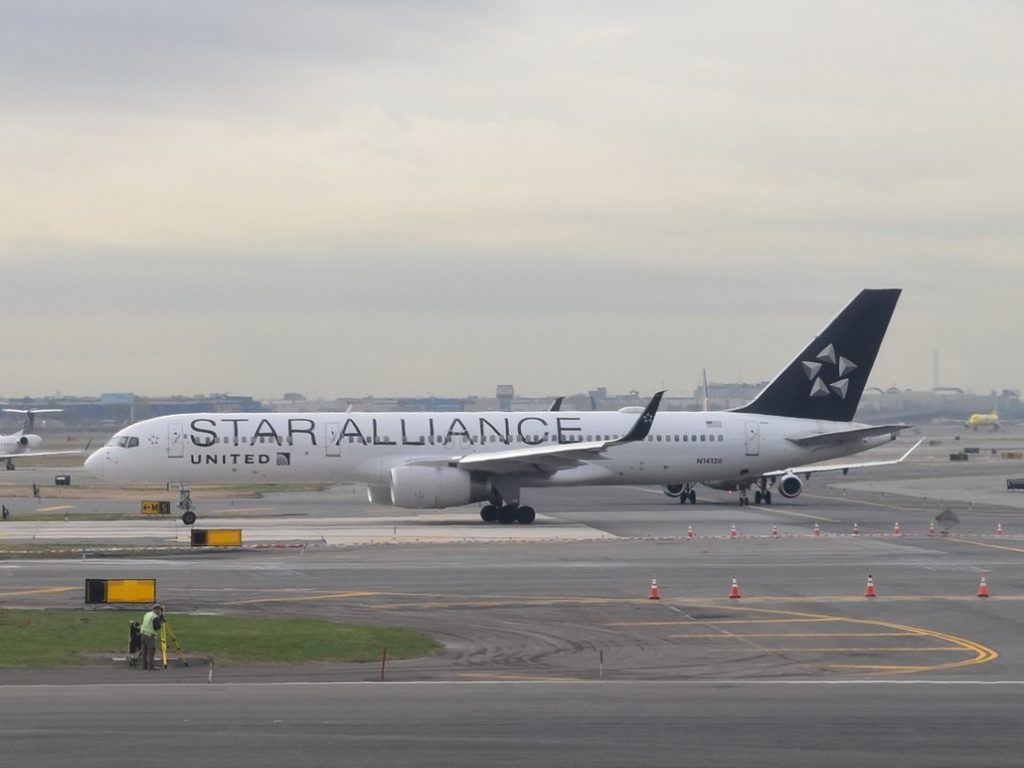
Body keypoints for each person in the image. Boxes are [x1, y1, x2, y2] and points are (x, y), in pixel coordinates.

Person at [139, 604, 165, 670]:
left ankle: (144, 666)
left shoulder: (147, 614)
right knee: (151, 650)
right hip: (149, 635)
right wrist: (160, 621)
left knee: (144, 651)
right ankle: (151, 666)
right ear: (157, 610)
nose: (160, 612)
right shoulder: (155, 617)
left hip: (143, 634)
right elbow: (157, 627)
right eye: (160, 610)